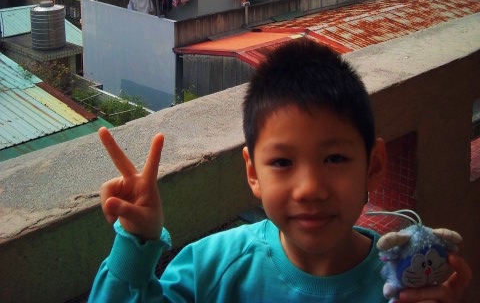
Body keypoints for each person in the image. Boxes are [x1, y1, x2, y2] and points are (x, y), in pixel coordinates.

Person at [88, 38, 472, 302]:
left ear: (373, 166)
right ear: (253, 174)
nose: (309, 189)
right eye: (283, 162)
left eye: (335, 159)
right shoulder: (211, 269)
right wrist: (135, 241)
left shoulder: (401, 282)